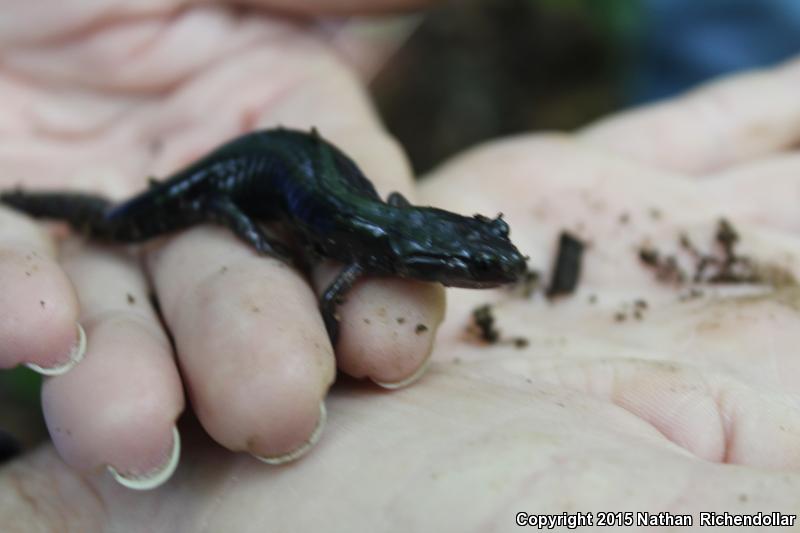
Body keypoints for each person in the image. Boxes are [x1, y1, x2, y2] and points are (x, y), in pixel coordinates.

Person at [2, 0, 800, 530]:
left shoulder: (378, 241)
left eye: (482, 260)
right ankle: (35, 195)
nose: (489, 274)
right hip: (225, 180)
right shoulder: (363, 248)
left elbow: (372, 249)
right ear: (427, 256)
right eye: (473, 265)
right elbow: (337, 273)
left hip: (266, 156)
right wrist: (252, 231)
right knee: (129, 223)